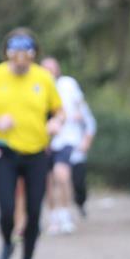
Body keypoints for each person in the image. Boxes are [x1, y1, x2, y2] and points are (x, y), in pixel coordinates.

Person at [0, 29, 63, 259]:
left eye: (27, 55)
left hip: (36, 152)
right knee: (7, 209)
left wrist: (56, 122)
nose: (21, 60)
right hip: (5, 151)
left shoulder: (44, 78)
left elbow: (59, 111)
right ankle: (6, 245)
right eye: (16, 55)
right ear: (7, 54)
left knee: (34, 210)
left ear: (34, 54)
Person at [41, 57, 96, 232]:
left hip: (66, 139)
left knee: (61, 175)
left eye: (52, 68)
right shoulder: (37, 87)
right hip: (43, 141)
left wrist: (86, 137)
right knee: (48, 181)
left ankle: (64, 212)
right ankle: (54, 216)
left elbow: (85, 114)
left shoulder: (67, 85)